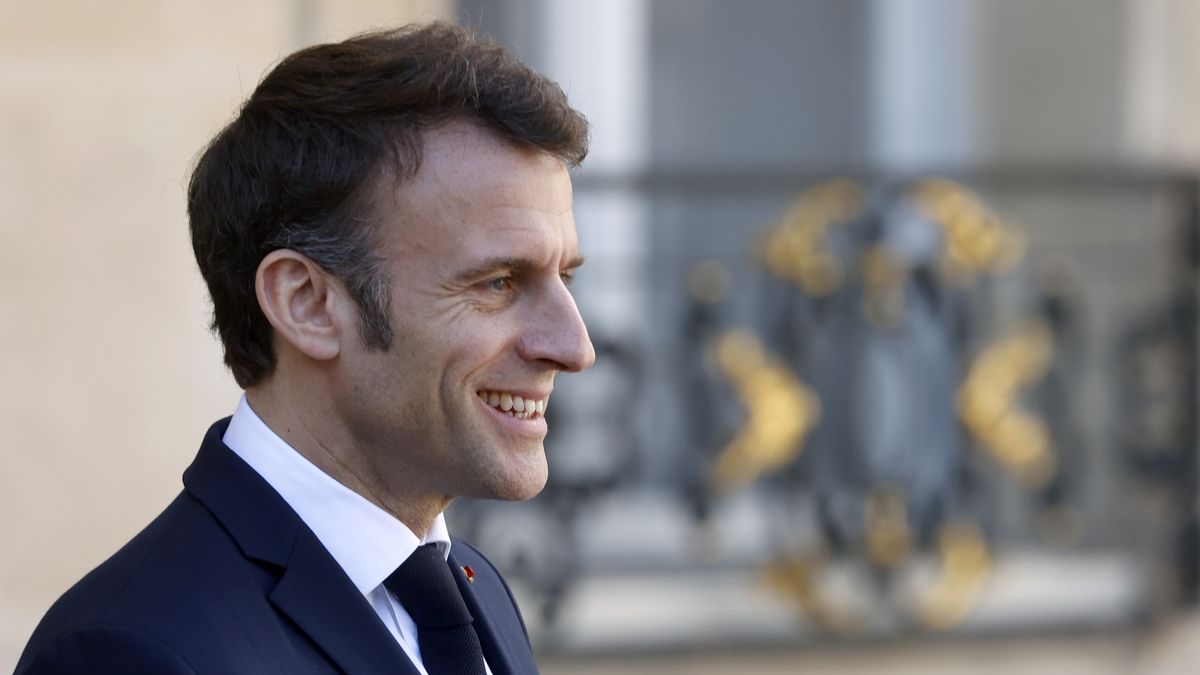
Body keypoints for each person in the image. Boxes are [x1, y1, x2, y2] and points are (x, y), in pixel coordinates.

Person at [16, 21, 594, 675]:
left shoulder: (473, 587)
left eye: (564, 277)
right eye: (498, 282)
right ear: (307, 303)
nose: (573, 346)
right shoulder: (131, 651)